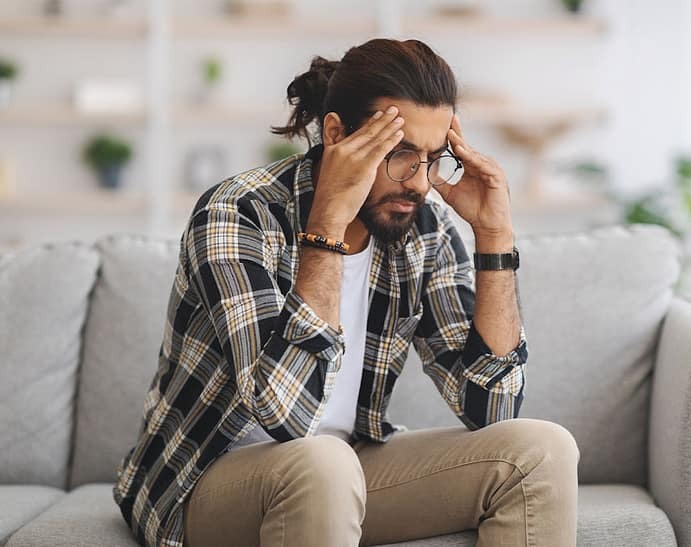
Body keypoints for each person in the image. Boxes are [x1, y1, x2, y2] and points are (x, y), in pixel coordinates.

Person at [113, 37, 579, 547]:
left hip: (342, 468)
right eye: (401, 156)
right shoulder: (238, 213)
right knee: (322, 460)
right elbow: (284, 416)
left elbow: (493, 411)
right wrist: (327, 226)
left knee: (541, 448)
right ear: (336, 133)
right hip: (203, 483)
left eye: (433, 158)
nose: (420, 184)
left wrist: (494, 239)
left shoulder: (425, 228)